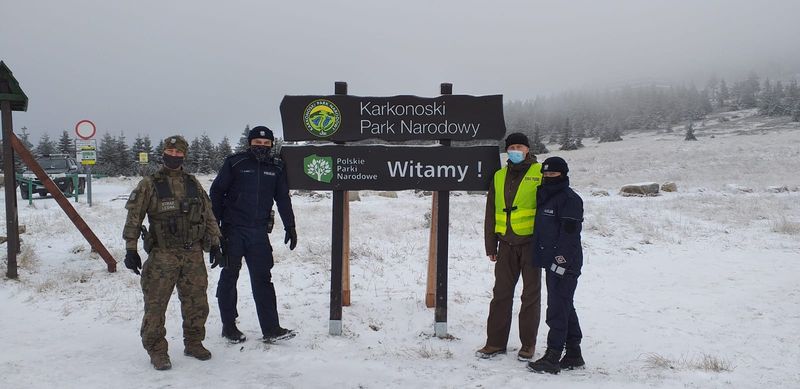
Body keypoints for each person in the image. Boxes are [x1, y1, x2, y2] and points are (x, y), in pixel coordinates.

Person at [123, 135, 224, 371]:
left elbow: (208, 214)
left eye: (179, 153)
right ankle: (157, 350)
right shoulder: (149, 184)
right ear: (163, 153)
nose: (174, 156)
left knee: (197, 303)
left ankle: (194, 342)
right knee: (156, 305)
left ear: (184, 155)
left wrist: (216, 243)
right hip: (163, 255)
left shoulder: (193, 183)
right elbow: (134, 217)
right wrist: (131, 249)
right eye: (170, 151)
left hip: (193, 254)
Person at [210, 125, 298, 344]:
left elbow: (282, 198)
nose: (261, 147)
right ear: (249, 144)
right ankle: (229, 326)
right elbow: (217, 192)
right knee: (229, 277)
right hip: (233, 230)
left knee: (263, 279)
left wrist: (290, 226)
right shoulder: (236, 163)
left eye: (266, 143)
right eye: (257, 143)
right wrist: (215, 228)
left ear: (271, 145)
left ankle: (271, 329)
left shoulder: (276, 167)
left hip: (259, 232)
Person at [477, 132, 543, 361]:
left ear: (527, 149)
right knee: (501, 295)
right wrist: (490, 245)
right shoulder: (498, 176)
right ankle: (495, 344)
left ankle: (528, 345)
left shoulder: (540, 172)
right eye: (512, 147)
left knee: (530, 296)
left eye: (519, 147)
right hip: (505, 244)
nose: (515, 150)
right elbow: (490, 212)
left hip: (532, 245)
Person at [527, 156, 585, 374]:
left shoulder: (570, 199)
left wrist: (560, 262)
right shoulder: (546, 197)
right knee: (565, 305)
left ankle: (553, 355)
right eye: (546, 173)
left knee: (557, 308)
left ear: (563, 174)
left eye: (553, 173)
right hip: (550, 260)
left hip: (564, 263)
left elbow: (570, 236)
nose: (548, 177)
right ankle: (573, 354)